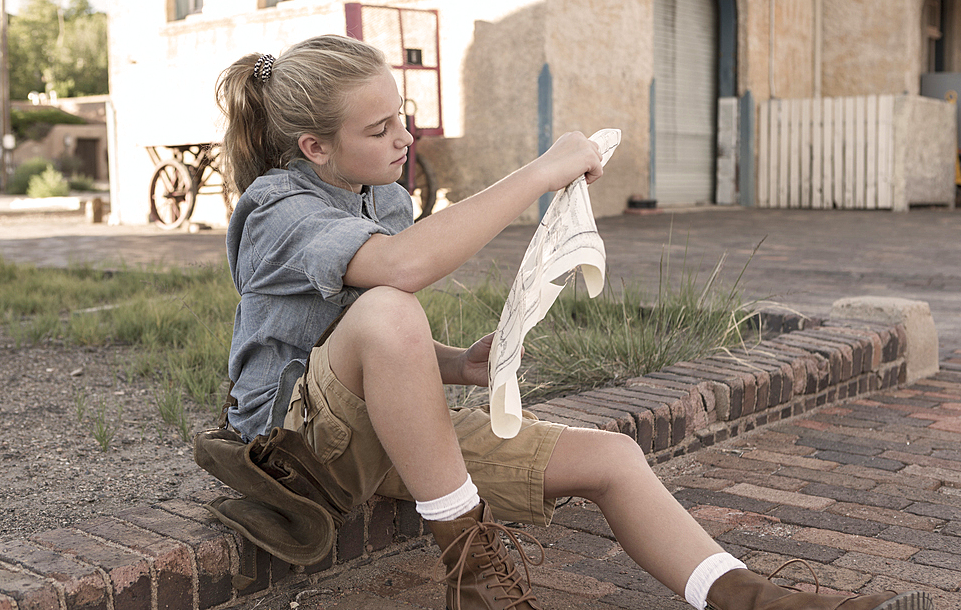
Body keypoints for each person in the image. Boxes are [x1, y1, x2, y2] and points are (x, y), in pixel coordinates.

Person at [213, 34, 932, 610]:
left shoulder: (379, 195)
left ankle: (752, 597)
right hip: (291, 452)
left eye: (403, 114)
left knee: (613, 458)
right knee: (394, 301)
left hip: (368, 429)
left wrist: (458, 362)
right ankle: (479, 582)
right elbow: (393, 284)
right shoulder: (280, 210)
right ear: (314, 147)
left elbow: (355, 337)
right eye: (381, 128)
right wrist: (539, 172)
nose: (405, 136)